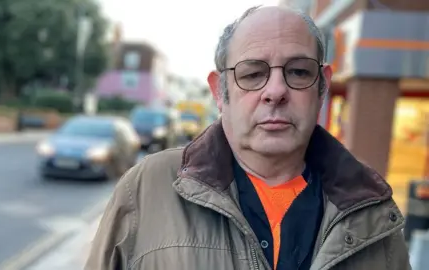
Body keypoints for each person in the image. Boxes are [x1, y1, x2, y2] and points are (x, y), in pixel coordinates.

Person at [85, 5, 411, 270]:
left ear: (322, 86)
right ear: (219, 91)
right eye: (253, 74)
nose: (276, 91)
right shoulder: (145, 190)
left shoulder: (372, 210)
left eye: (298, 71)